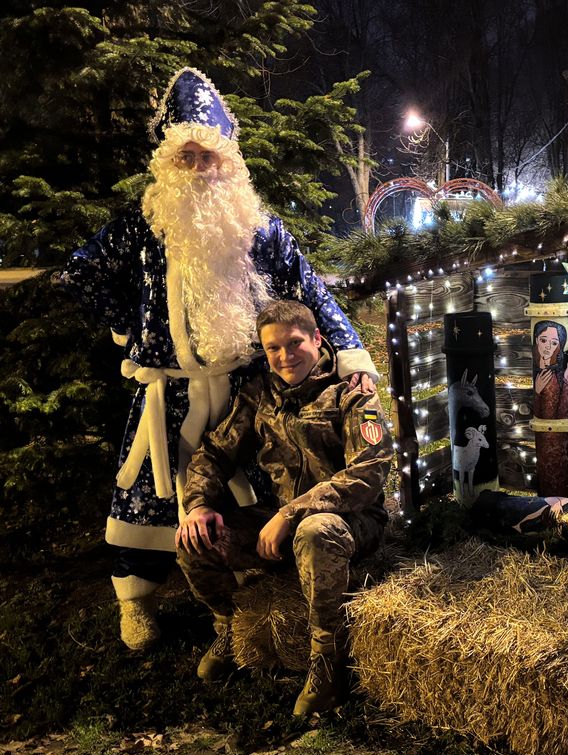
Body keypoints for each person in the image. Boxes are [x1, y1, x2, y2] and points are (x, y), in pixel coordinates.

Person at [59, 67, 378, 650]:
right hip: (170, 392)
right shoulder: (143, 225)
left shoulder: (258, 228)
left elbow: (308, 289)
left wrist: (351, 353)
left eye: (209, 158)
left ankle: (247, 603)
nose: (199, 170)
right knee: (147, 498)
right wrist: (127, 328)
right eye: (186, 158)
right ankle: (137, 602)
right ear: (167, 164)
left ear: (228, 163)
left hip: (246, 388)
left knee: (252, 491)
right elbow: (80, 273)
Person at [176, 300, 392, 715]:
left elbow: (368, 473)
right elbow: (214, 453)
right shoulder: (260, 393)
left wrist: (289, 514)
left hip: (350, 520)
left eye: (294, 343)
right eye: (272, 348)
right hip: (280, 520)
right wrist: (199, 504)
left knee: (315, 530)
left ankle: (326, 665)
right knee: (193, 541)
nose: (284, 356)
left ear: (317, 339)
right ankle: (231, 627)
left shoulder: (352, 393)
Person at [532, 319, 568, 495]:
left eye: (554, 342)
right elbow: (541, 411)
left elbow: (562, 412)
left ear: (560, 346)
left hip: (558, 440)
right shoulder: (541, 372)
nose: (547, 347)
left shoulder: (555, 374)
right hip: (543, 439)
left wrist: (566, 382)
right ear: (536, 340)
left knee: (560, 482)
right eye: (543, 340)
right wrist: (537, 391)